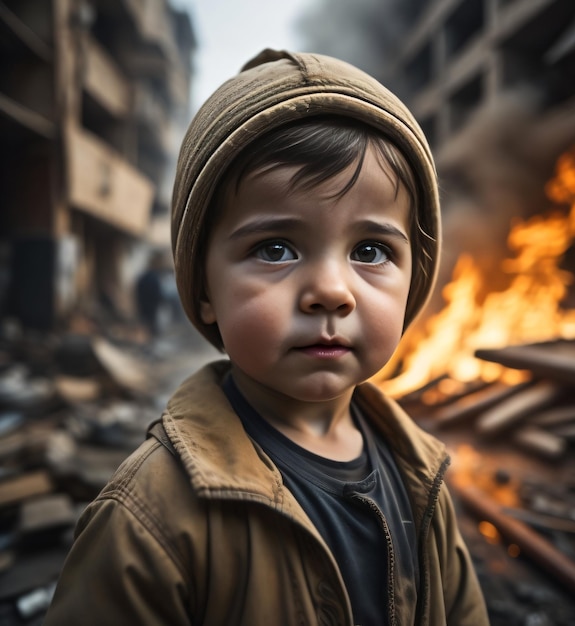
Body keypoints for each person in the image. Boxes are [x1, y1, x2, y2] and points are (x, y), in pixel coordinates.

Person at [44, 50, 489, 626]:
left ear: (414, 280)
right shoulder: (149, 519)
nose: (331, 291)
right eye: (275, 248)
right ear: (204, 287)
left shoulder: (422, 478)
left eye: (371, 251)